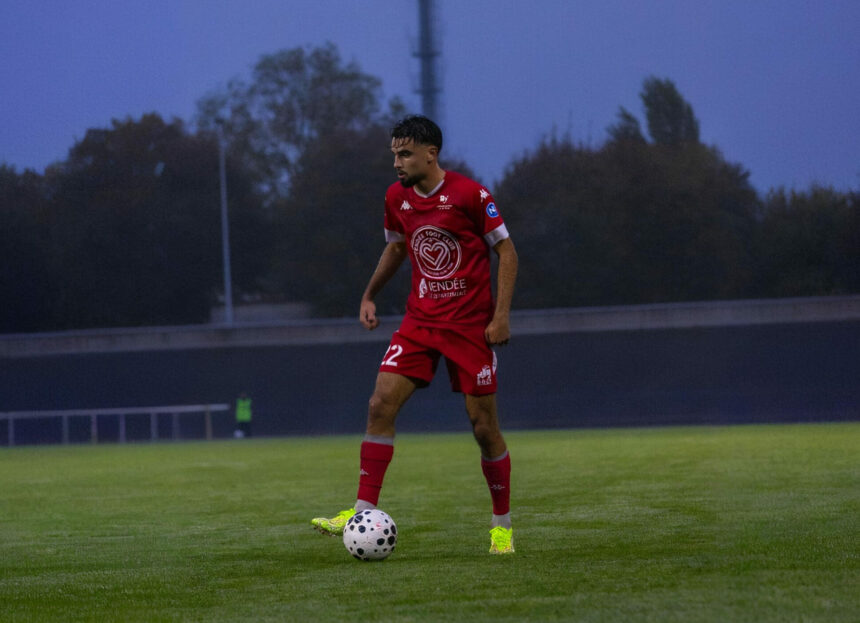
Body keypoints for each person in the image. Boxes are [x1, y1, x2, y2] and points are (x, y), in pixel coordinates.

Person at [311, 115, 518, 554]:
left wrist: (500, 317)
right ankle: (360, 510)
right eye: (394, 155)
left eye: (404, 154)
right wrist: (369, 295)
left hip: (468, 328)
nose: (397, 164)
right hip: (419, 322)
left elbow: (507, 250)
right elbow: (398, 246)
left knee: (483, 428)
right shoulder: (396, 198)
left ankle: (501, 526)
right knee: (379, 404)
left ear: (431, 153)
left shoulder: (470, 194)